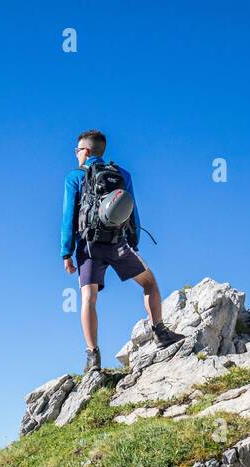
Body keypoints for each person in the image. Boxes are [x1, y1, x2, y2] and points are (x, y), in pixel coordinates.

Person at [61, 129, 183, 374]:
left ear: (84, 151)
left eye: (77, 151)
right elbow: (132, 211)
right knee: (149, 283)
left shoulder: (74, 176)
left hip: (89, 247)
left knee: (88, 299)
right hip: (118, 243)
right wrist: (133, 243)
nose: (76, 156)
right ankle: (159, 331)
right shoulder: (122, 174)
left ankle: (92, 356)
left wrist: (66, 252)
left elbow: (68, 217)